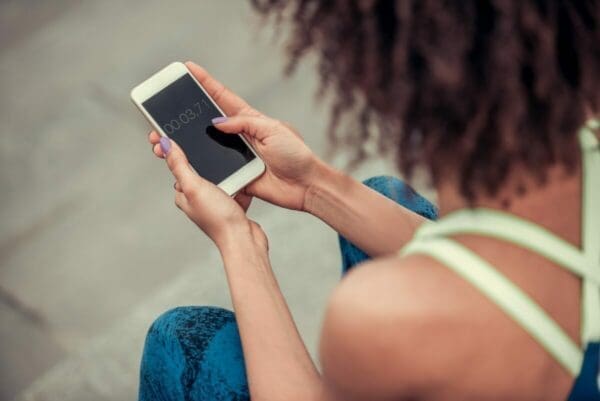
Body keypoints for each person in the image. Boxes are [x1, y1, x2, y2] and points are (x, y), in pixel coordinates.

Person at [138, 1, 600, 400]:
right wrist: (313, 186)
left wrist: (239, 241)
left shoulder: (372, 321)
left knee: (178, 341)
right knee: (382, 195)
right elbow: (497, 267)